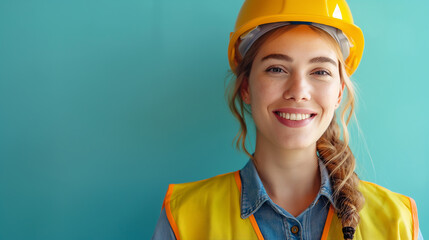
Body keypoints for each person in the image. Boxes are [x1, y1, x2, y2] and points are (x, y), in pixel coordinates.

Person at [152, 0, 423, 239]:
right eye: (276, 69)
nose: (298, 92)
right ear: (246, 87)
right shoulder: (185, 218)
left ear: (339, 92)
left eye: (320, 72)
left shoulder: (398, 223)